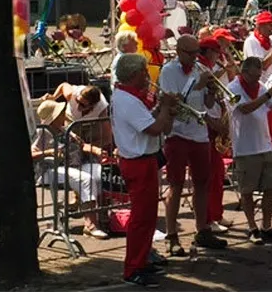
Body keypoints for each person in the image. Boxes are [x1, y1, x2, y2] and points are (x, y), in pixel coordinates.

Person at [111, 53, 177, 288]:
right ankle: (132, 268)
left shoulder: (132, 97)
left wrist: (163, 108)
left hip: (146, 159)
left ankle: (143, 258)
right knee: (141, 218)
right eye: (144, 72)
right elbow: (153, 128)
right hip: (138, 161)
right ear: (135, 74)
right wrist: (166, 107)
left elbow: (158, 125)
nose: (148, 76)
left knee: (148, 216)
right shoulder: (127, 100)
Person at [159, 35, 226, 255]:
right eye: (190, 53)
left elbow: (205, 104)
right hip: (178, 133)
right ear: (178, 51)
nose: (195, 57)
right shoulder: (168, 71)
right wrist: (198, 86)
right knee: (176, 185)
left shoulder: (198, 68)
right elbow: (175, 103)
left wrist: (211, 91)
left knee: (202, 183)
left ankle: (202, 230)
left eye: (197, 52)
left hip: (199, 133)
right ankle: (172, 235)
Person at [226, 57, 272, 245]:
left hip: (265, 144)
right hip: (245, 147)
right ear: (244, 72)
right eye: (254, 75)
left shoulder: (259, 87)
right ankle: (252, 227)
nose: (257, 79)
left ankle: (266, 226)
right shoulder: (233, 88)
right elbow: (245, 109)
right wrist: (268, 95)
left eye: (259, 75)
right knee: (247, 190)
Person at [32, 100, 107, 239]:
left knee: (100, 172)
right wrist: (49, 152)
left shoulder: (65, 129)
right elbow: (31, 154)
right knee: (85, 179)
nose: (63, 115)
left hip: (72, 164)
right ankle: (91, 224)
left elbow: (82, 146)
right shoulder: (42, 131)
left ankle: (100, 215)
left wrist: (96, 150)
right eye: (60, 113)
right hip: (48, 170)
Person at [199, 37, 233, 234]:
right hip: (208, 126)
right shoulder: (201, 69)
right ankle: (209, 217)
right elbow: (205, 103)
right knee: (211, 175)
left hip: (215, 124)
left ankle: (217, 214)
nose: (218, 56)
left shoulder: (207, 68)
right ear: (207, 52)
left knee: (218, 173)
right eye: (215, 52)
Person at [243, 11, 272, 86]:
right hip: (263, 84)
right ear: (261, 25)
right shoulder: (252, 41)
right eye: (270, 24)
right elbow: (260, 67)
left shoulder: (271, 39)